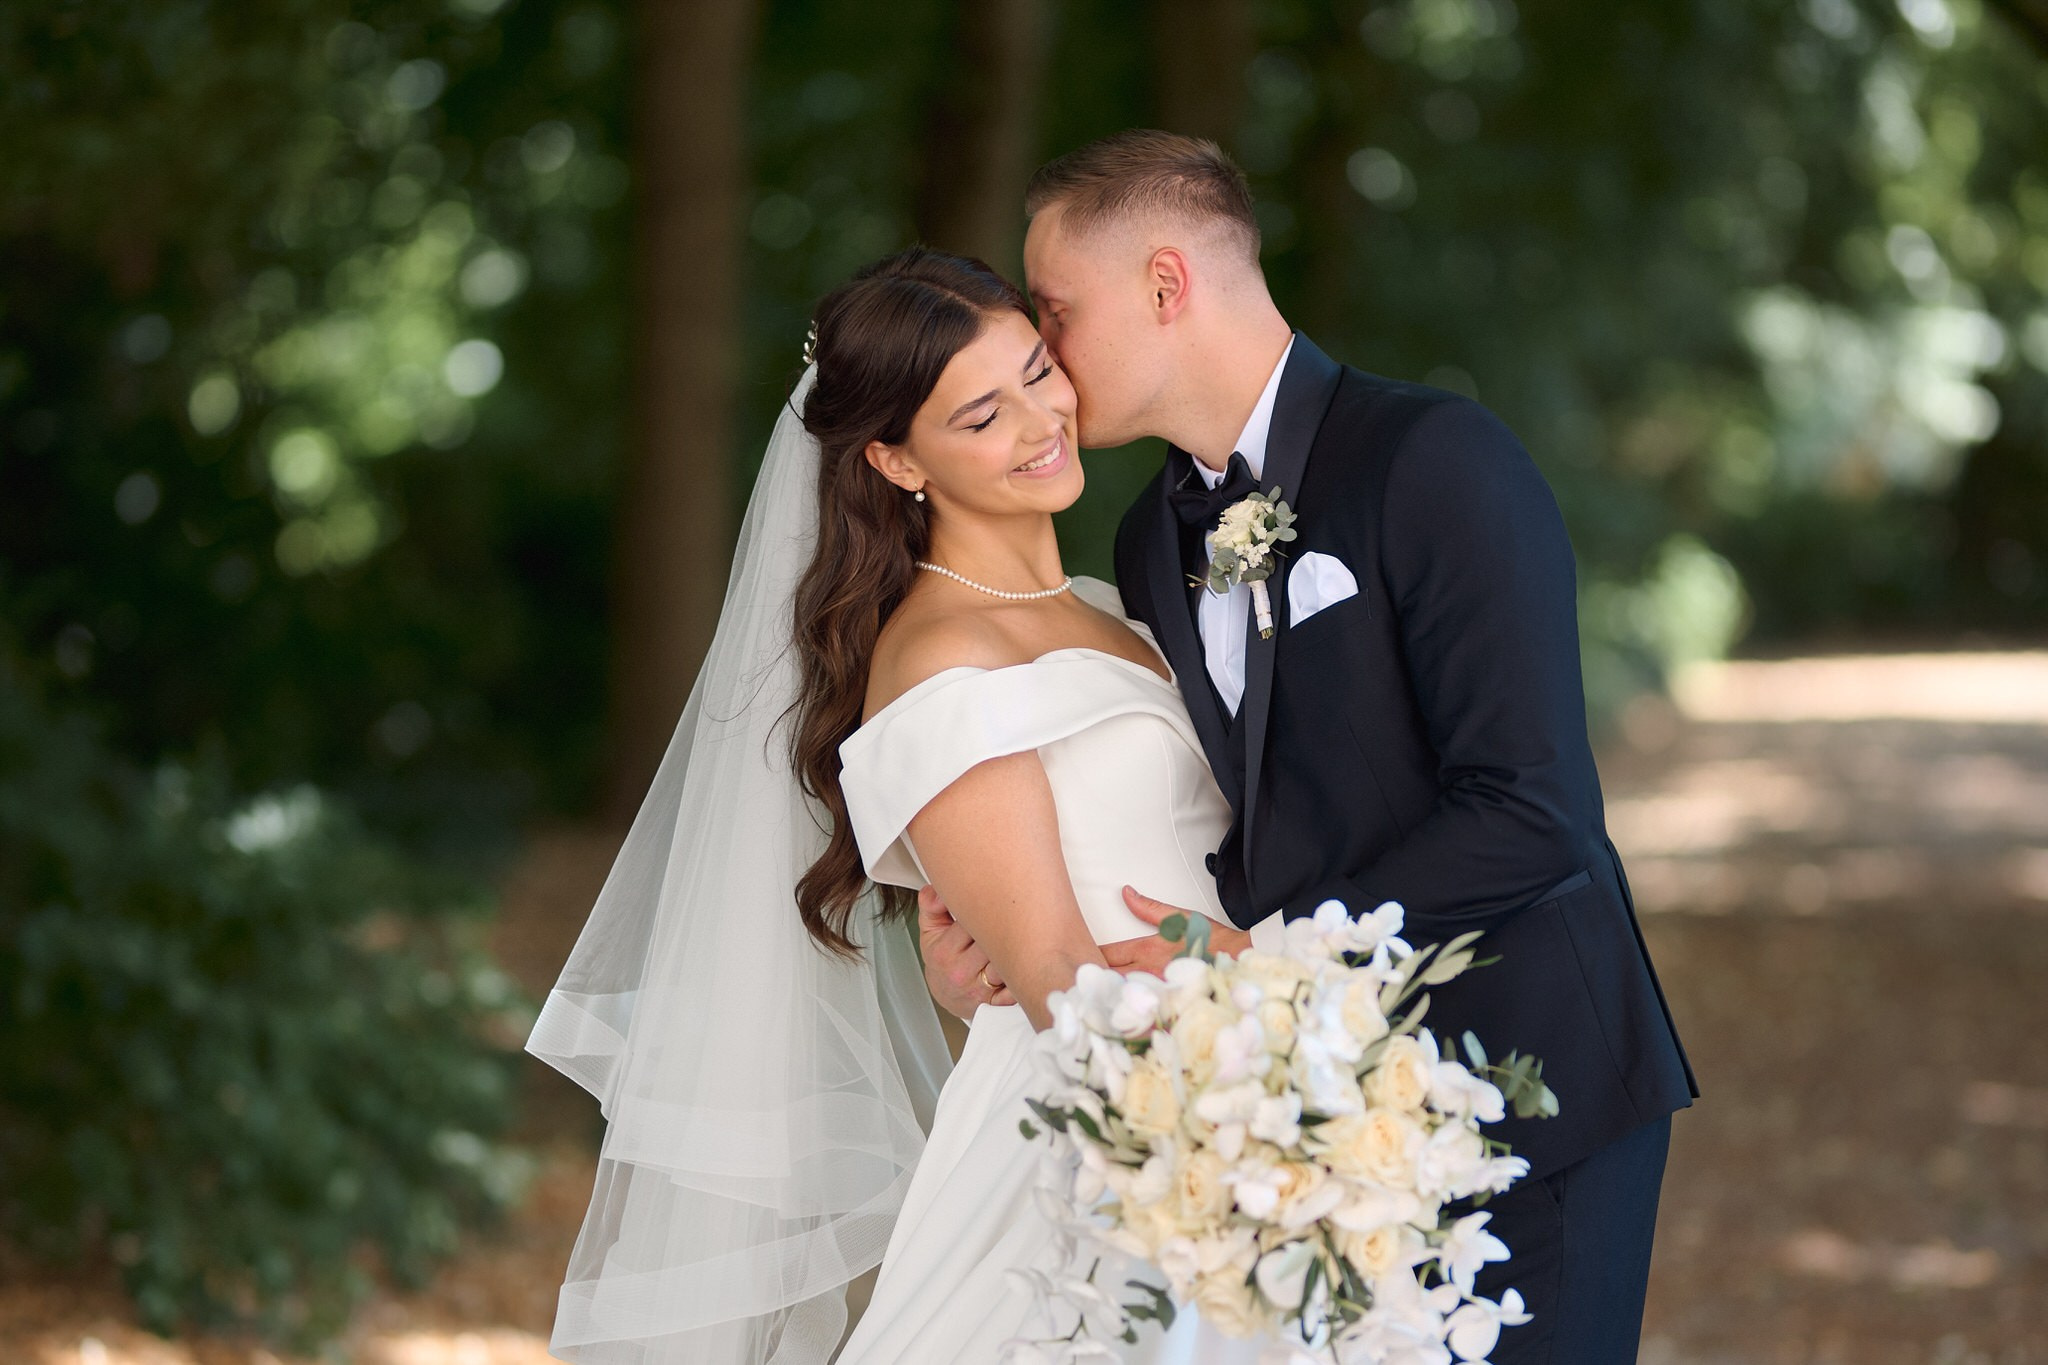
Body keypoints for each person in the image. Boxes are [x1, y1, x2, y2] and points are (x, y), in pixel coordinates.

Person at [920, 130, 1698, 1365]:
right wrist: (1010, 923)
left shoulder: (1435, 461)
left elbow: (1531, 808)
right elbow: (1212, 809)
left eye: (1055, 313)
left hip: (1525, 1079)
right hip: (1294, 1116)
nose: (1045, 358)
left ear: (1165, 285)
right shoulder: (1143, 540)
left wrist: (1263, 958)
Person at [528, 245, 1271, 1363]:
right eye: (979, 417)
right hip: (1109, 1134)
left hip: (1216, 1083)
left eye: (1035, 370)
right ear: (895, 459)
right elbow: (1061, 985)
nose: (1037, 422)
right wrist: (1286, 1024)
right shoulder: (937, 664)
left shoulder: (1114, 607)